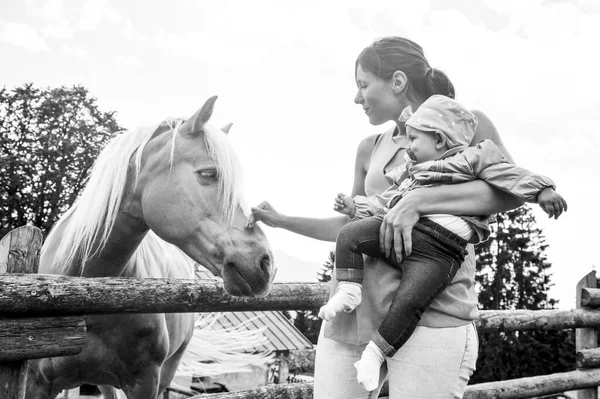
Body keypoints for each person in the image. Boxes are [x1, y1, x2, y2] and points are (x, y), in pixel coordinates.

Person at [246, 36, 529, 398]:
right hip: (355, 313)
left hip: (432, 312)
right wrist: (283, 221)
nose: (356, 97)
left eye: (363, 85)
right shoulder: (370, 147)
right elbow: (351, 228)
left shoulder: (466, 125)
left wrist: (417, 203)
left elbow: (511, 192)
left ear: (397, 81)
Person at [319, 94, 567, 391]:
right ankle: (349, 289)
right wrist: (356, 207)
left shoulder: (474, 158)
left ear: (438, 139)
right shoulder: (412, 172)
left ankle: (375, 353)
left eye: (413, 139)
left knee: (409, 303)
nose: (407, 147)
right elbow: (387, 202)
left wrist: (543, 190)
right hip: (403, 239)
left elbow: (510, 175)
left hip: (439, 251)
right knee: (350, 234)